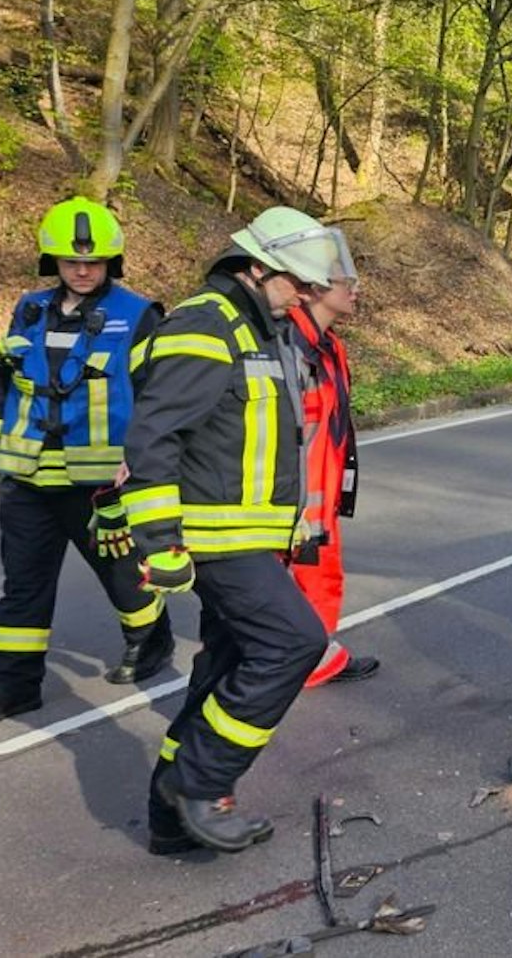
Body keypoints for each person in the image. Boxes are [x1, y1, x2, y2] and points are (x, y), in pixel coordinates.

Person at [122, 206, 344, 855]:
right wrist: (160, 540)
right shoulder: (206, 324)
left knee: (223, 669)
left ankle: (169, 820)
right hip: (215, 539)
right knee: (293, 642)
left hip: (252, 537)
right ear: (256, 267)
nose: (304, 295)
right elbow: (154, 437)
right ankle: (200, 782)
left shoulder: (259, 328)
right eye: (296, 282)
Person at [0, 197, 173, 733]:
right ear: (52, 260)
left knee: (122, 574)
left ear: (111, 262)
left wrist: (141, 461)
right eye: (72, 261)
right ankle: (13, 685)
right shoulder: (28, 310)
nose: (82, 270)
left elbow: (157, 397)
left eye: (94, 262)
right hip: (27, 478)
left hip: (100, 483)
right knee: (24, 585)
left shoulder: (138, 315)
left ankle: (150, 638)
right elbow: (0, 382)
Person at [288, 235, 378, 687]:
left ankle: (313, 655)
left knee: (321, 580)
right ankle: (300, 661)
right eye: (345, 279)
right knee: (287, 586)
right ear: (313, 286)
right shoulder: (287, 346)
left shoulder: (328, 347)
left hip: (320, 493)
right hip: (292, 498)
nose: (355, 286)